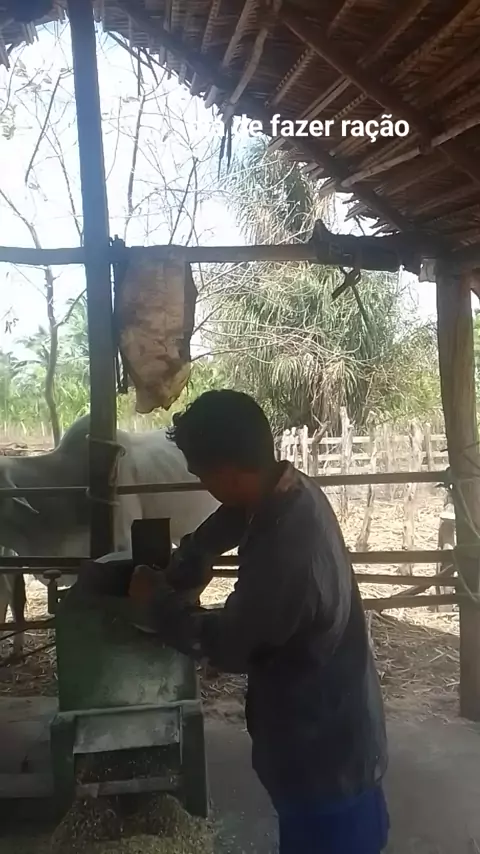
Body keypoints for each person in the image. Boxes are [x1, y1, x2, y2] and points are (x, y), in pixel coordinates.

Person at [128, 390, 389, 854]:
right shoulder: (285, 489)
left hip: (324, 756)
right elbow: (234, 515)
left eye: (201, 475)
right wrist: (193, 555)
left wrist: (158, 603)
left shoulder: (287, 550)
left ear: (227, 472)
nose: (202, 483)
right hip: (327, 731)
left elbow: (230, 644)